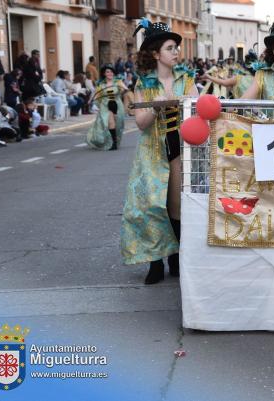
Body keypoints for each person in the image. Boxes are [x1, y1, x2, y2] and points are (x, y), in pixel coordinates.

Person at [121, 19, 199, 284]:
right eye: (170, 47)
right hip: (152, 149)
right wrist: (155, 107)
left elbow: (198, 112)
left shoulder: (187, 80)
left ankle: (176, 258)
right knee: (152, 205)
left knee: (177, 206)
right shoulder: (144, 84)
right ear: (155, 53)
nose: (176, 52)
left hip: (180, 147)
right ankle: (155, 264)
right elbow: (141, 123)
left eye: (176, 47)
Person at [86, 64, 127, 151]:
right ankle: (113, 143)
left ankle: (115, 141)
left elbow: (125, 89)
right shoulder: (101, 85)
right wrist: (90, 100)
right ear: (104, 74)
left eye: (111, 72)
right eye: (107, 72)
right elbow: (95, 94)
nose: (110, 73)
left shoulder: (118, 82)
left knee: (118, 124)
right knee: (109, 122)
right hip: (105, 105)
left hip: (117, 105)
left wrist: (124, 89)